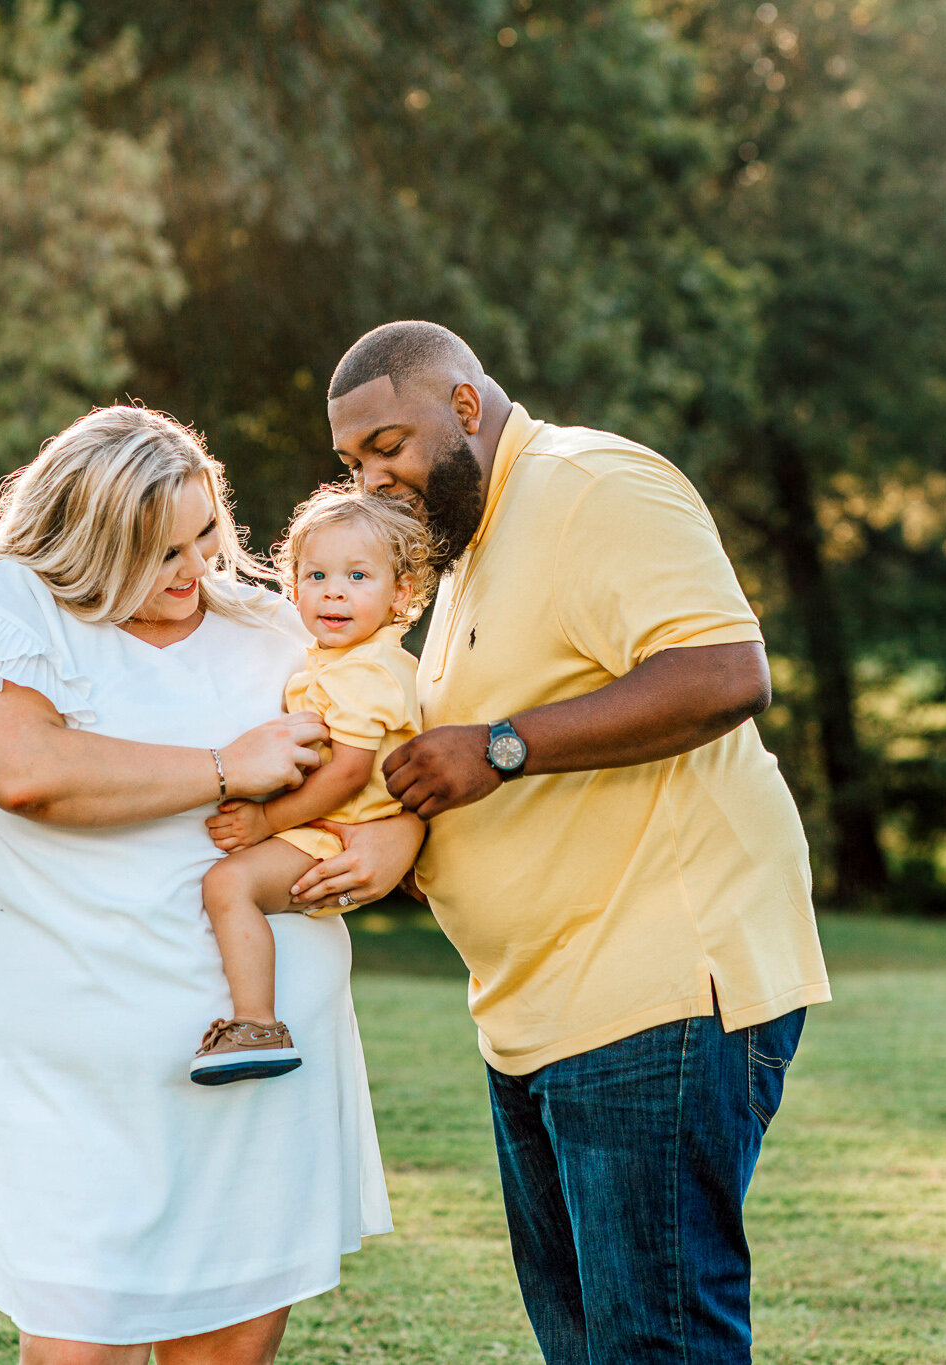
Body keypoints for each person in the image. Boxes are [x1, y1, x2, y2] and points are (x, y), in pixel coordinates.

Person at [0, 406, 419, 1364]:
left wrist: (400, 831)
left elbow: (388, 739)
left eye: (205, 536)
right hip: (81, 1075)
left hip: (263, 1056)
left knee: (230, 1348)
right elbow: (29, 771)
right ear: (85, 540)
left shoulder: (272, 623)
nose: (194, 572)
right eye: (159, 553)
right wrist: (228, 766)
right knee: (79, 1345)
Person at [322, 321, 832, 1365]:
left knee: (651, 1347)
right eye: (351, 464)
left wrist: (498, 748)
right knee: (590, 1348)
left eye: (388, 445)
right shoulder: (466, 545)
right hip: (536, 1012)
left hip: (653, 993)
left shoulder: (591, 485)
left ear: (464, 407)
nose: (373, 482)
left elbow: (723, 674)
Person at [192, 486, 433, 1084]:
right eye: (317, 574)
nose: (334, 591)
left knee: (229, 885)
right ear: (293, 585)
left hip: (337, 832)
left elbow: (350, 770)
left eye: (358, 575)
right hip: (331, 824)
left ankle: (255, 1024)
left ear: (400, 593)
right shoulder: (337, 660)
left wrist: (266, 823)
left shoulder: (367, 671)